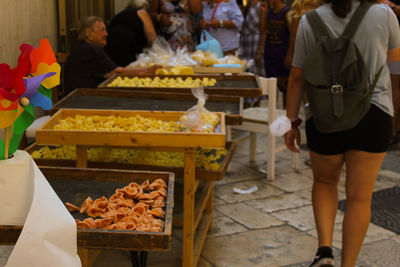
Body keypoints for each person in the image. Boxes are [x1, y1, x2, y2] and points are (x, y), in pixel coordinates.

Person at [284, 1, 400, 267]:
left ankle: (324, 251)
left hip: (324, 115)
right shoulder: (383, 14)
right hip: (374, 113)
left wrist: (292, 121)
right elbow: (395, 60)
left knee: (325, 183)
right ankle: (348, 264)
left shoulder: (309, 20)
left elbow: (296, 76)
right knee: (360, 196)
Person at [64, 16, 160, 96]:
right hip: (82, 100)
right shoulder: (91, 49)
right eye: (102, 30)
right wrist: (148, 71)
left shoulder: (82, 48)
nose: (106, 34)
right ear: (89, 34)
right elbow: (117, 72)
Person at [256, 0, 290, 106]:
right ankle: (273, 114)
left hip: (283, 55)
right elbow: (262, 30)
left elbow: (293, 37)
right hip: (270, 54)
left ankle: (287, 116)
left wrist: (290, 56)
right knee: (271, 88)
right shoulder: (269, 12)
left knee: (286, 88)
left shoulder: (286, 13)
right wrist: (263, 12)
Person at [105, 0, 157, 67]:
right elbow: (152, 38)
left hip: (110, 52)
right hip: (128, 51)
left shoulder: (120, 14)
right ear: (144, 8)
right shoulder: (142, 12)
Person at [240, 0, 265, 76]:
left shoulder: (260, 6)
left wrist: (260, 51)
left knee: (258, 76)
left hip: (256, 46)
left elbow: (263, 31)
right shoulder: (248, 6)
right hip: (247, 47)